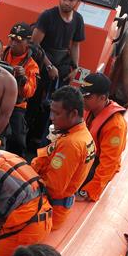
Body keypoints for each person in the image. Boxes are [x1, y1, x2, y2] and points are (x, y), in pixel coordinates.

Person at [31, 86, 95, 232]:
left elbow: (52, 187)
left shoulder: (71, 144)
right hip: (55, 207)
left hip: (46, 210)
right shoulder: (83, 136)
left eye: (56, 113)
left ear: (73, 114)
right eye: (51, 111)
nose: (51, 117)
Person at [76, 72, 127, 202]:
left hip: (95, 163)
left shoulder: (115, 125)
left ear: (102, 98)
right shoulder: (88, 109)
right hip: (84, 155)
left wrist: (88, 191)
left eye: (87, 96)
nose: (83, 99)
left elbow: (109, 163)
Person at [32, 0, 86, 91]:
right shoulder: (47, 16)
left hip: (62, 60)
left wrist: (76, 68)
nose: (66, 3)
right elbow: (34, 44)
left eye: (71, 0)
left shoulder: (78, 19)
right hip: (43, 58)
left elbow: (75, 45)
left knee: (60, 94)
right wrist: (49, 66)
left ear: (77, 1)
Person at [2, 22, 41, 157]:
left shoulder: (32, 66)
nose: (13, 43)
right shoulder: (0, 52)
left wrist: (23, 78)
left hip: (16, 105)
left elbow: (29, 93)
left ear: (27, 42)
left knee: (17, 140)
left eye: (18, 40)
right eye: (11, 38)